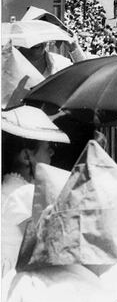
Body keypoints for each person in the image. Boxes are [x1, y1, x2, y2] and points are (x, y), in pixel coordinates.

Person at [1, 107, 70, 288]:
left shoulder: (7, 189)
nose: (52, 153)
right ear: (26, 156)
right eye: (47, 148)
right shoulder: (28, 196)